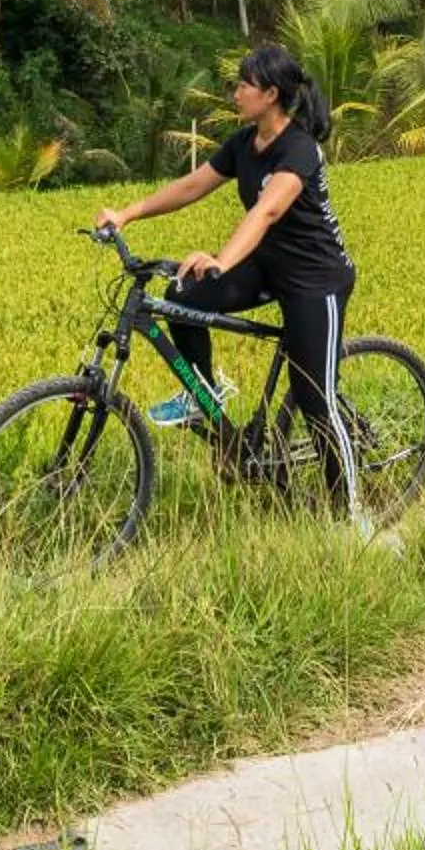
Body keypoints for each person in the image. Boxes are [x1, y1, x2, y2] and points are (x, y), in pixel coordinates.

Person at [94, 42, 361, 522]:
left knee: (316, 401)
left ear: (271, 94)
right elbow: (192, 185)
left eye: (244, 84)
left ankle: (353, 516)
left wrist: (220, 259)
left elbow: (268, 210)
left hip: (314, 278)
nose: (235, 92)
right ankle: (203, 393)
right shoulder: (244, 144)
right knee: (182, 291)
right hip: (266, 265)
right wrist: (127, 214)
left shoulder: (299, 149)